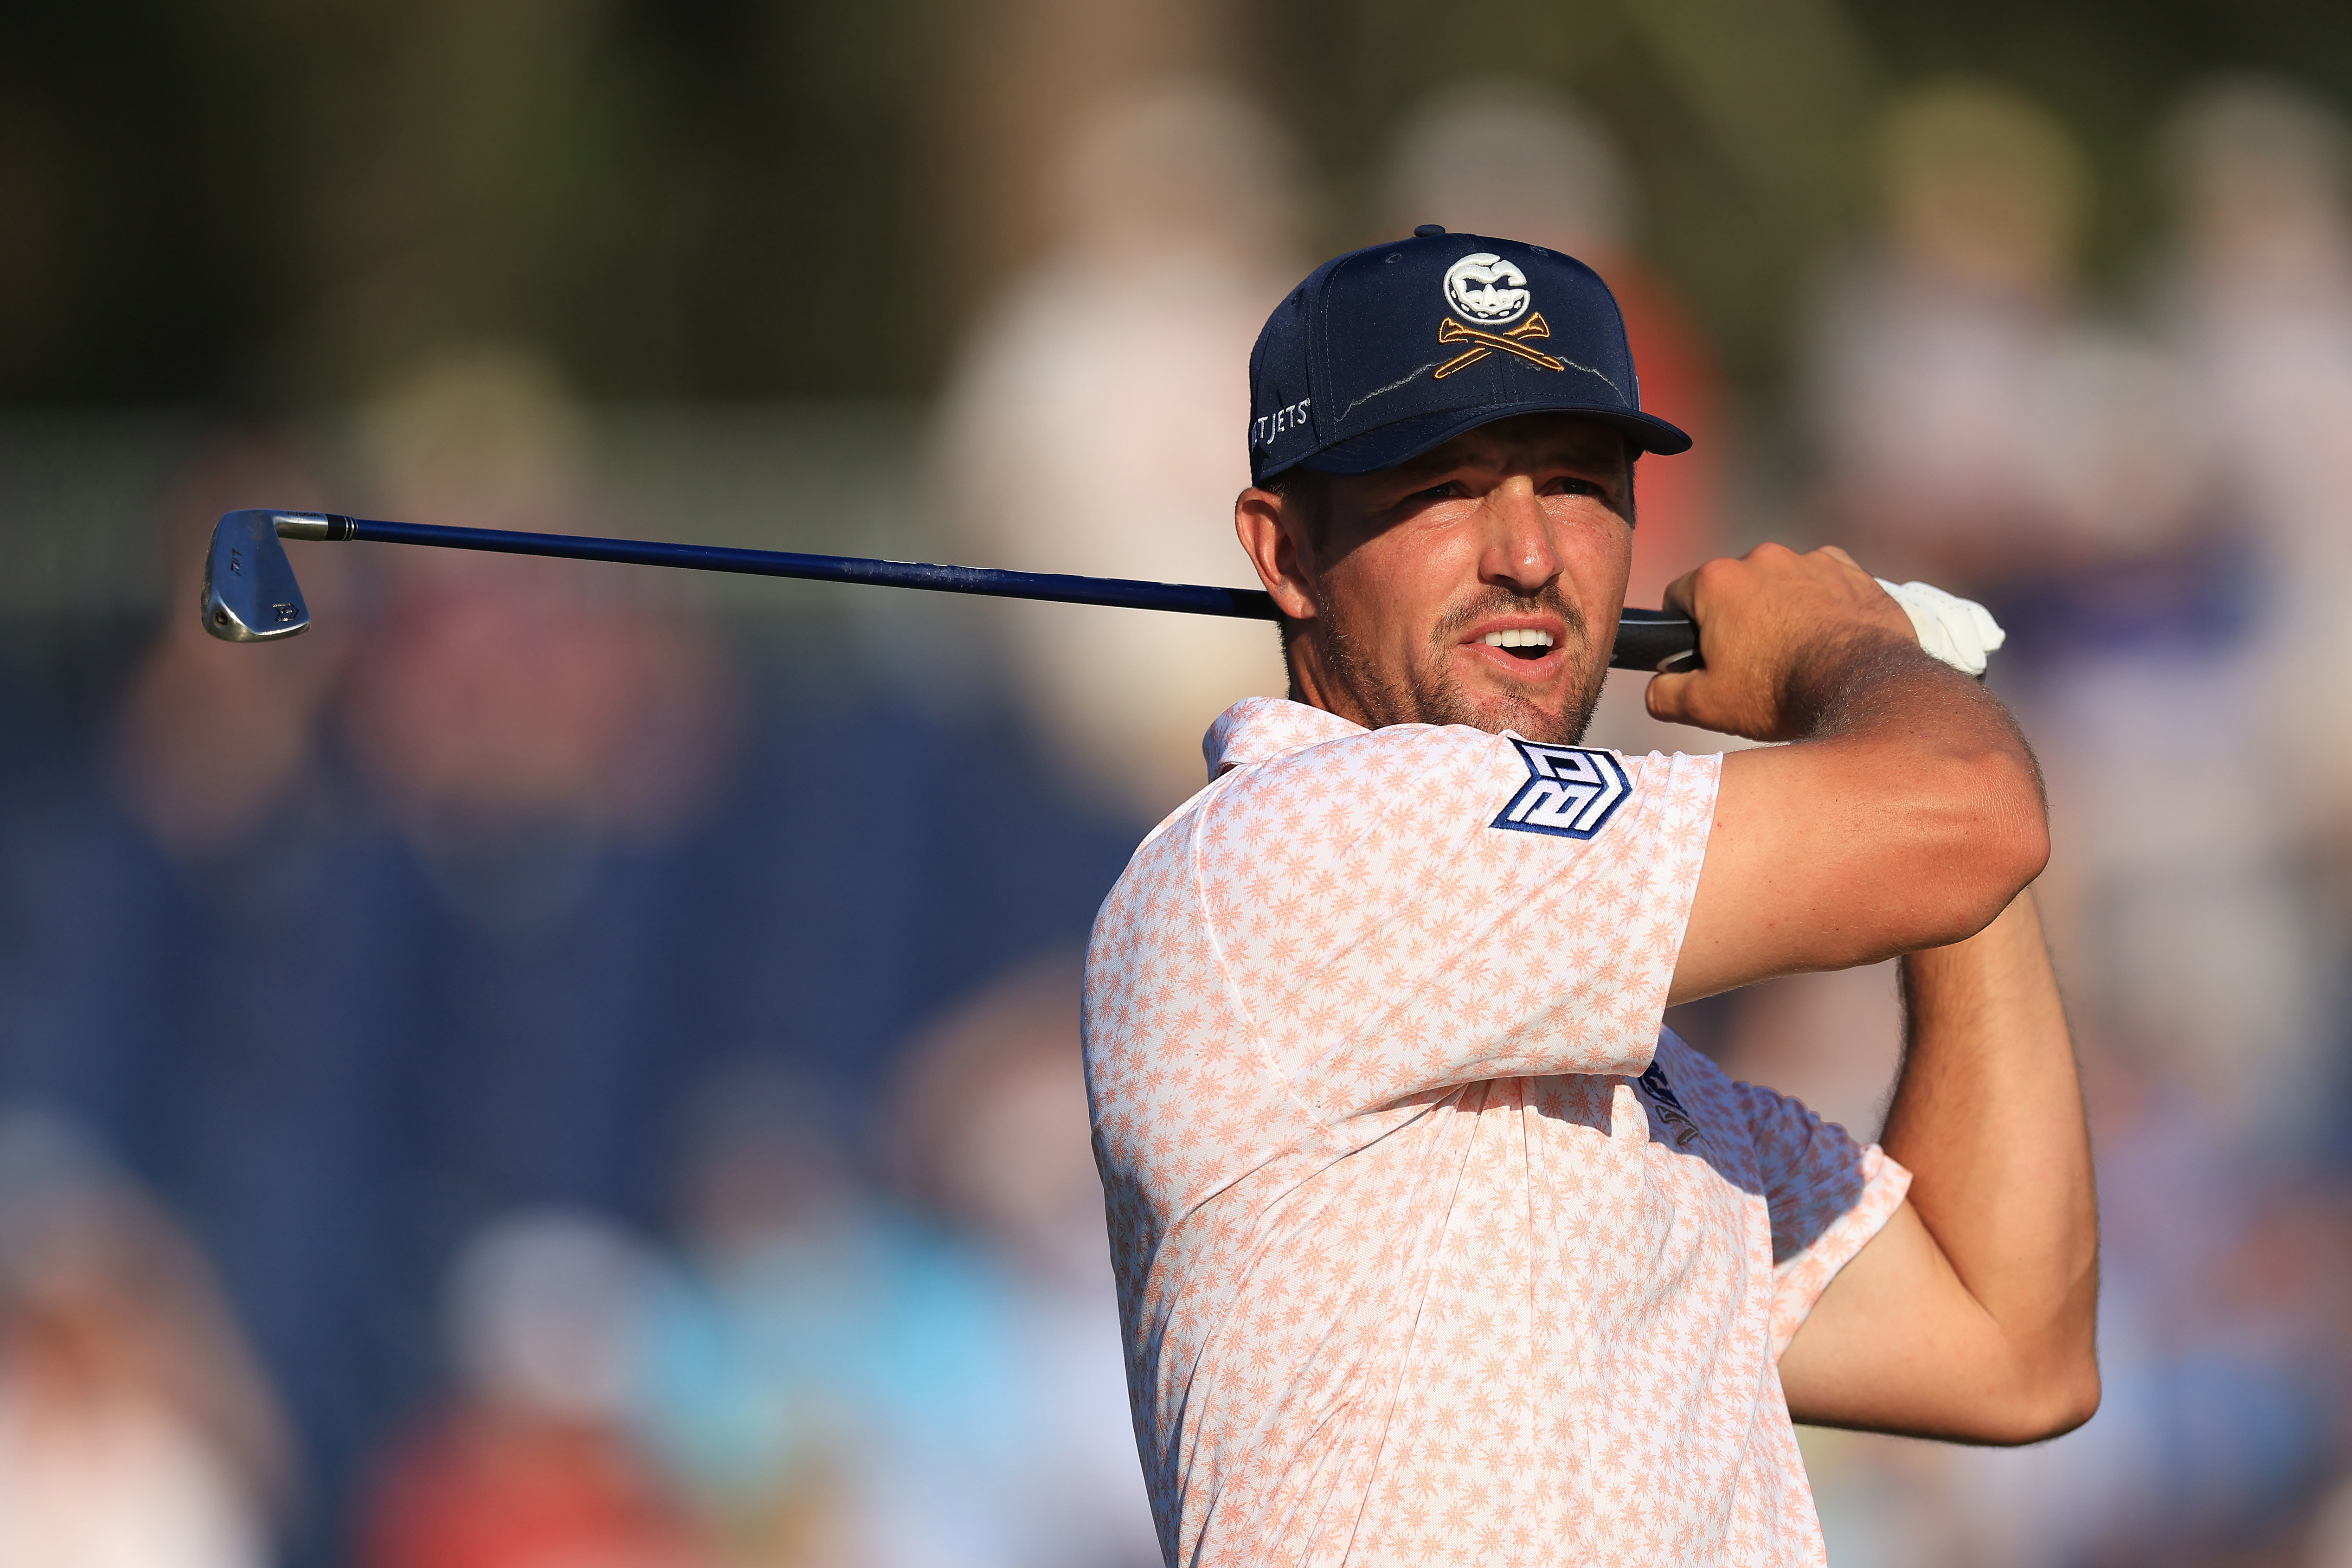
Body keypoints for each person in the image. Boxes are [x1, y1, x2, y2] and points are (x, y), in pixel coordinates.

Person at [1082, 229, 2097, 1565]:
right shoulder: (1292, 846)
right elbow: (1967, 817)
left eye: (1574, 484)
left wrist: (1919, 701)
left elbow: (2008, 1339)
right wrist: (1855, 662)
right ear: (1283, 553)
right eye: (1442, 488)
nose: (1528, 554)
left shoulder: (1618, 1063)